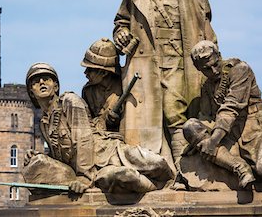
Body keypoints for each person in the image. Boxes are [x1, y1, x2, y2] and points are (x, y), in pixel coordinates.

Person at [113, 0, 217, 172]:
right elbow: (121, 20)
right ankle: (158, 171)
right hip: (144, 62)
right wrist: (120, 33)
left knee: (174, 113)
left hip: (181, 61)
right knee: (145, 122)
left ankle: (185, 172)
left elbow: (205, 23)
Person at [23, 63, 174, 194]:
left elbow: (84, 140)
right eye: (36, 81)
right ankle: (157, 190)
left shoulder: (69, 102)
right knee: (125, 177)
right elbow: (62, 155)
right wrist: (42, 156)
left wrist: (84, 177)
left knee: (156, 163)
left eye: (47, 79)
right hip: (95, 170)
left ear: (55, 86)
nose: (42, 82)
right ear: (31, 91)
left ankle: (175, 183)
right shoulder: (44, 123)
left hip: (108, 153)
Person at [182, 41, 262, 195]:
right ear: (199, 69)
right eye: (206, 69)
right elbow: (206, 117)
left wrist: (213, 141)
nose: (213, 71)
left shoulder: (240, 70)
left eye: (215, 64)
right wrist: (200, 140)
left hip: (254, 125)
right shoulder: (207, 86)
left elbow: (231, 107)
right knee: (190, 126)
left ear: (219, 56)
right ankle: (240, 168)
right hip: (229, 131)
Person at [81, 38, 122, 132]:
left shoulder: (123, 87)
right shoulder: (88, 91)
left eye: (90, 70)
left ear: (104, 73)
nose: (85, 72)